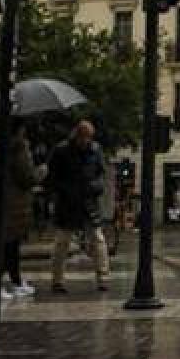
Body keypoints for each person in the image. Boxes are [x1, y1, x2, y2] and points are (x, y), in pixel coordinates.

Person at [48, 120, 110, 292]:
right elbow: (53, 177)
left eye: (88, 137)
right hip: (68, 202)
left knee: (97, 239)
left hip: (88, 200)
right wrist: (65, 190)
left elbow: (101, 174)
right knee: (62, 242)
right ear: (76, 135)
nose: (85, 141)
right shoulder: (61, 151)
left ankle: (103, 278)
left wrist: (95, 187)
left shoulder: (95, 150)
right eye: (82, 137)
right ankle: (57, 280)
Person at [0, 118, 41, 298]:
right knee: (9, 244)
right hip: (16, 202)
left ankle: (15, 281)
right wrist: (41, 171)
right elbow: (27, 176)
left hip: (4, 200)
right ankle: (3, 284)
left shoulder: (1, 146)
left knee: (9, 244)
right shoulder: (20, 148)